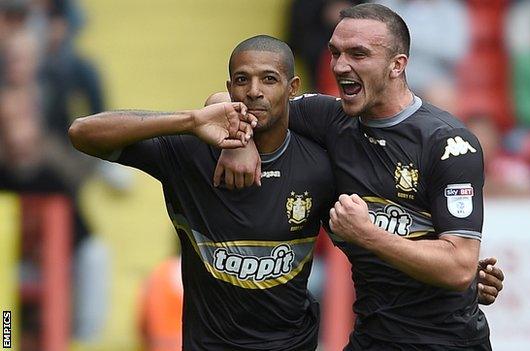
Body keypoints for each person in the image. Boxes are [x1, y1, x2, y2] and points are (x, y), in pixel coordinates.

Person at [215, 4, 500, 350]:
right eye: (335, 52)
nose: (340, 66)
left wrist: (368, 234)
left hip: (446, 342)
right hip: (372, 337)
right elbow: (236, 101)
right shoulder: (329, 119)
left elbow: (458, 268)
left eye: (358, 54)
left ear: (397, 65)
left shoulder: (448, 143)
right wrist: (238, 141)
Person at [69, 35, 338, 350]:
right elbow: (82, 133)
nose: (254, 91)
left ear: (292, 88)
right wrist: (192, 120)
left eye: (268, 79)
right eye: (242, 80)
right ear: (229, 88)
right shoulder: (190, 153)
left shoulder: (319, 165)